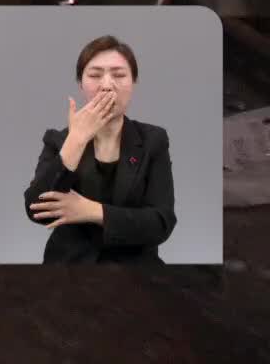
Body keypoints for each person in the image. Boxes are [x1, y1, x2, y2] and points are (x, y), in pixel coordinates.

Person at [24, 35, 177, 264]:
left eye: (119, 75)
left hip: (136, 270)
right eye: (95, 75)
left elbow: (161, 222)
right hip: (69, 268)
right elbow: (36, 210)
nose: (107, 85)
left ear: (133, 82)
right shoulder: (59, 140)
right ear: (81, 84)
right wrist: (76, 140)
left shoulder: (153, 140)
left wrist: (92, 211)